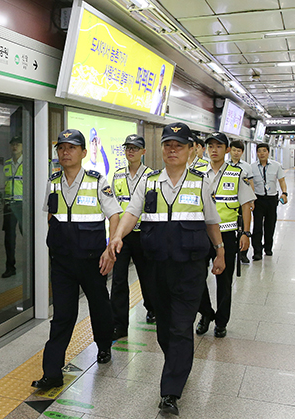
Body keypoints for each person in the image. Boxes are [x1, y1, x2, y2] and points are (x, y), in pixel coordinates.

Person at [106, 122, 225, 416]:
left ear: (189, 150)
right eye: (168, 145)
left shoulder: (200, 183)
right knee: (164, 330)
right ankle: (178, 363)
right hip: (156, 267)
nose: (172, 150)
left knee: (181, 327)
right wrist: (119, 235)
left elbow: (211, 221)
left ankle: (170, 392)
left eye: (179, 145)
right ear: (161, 150)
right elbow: (131, 212)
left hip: (190, 268)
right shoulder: (150, 182)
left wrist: (220, 251)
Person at [31, 129, 122, 391]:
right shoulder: (54, 181)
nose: (65, 152)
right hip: (62, 262)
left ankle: (104, 346)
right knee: (62, 316)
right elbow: (50, 216)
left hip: (93, 260)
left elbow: (114, 215)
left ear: (83, 153)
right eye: (61, 148)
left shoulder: (97, 181)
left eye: (71, 148)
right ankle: (52, 373)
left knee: (99, 307)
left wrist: (110, 250)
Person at [195, 132, 255, 338]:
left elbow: (246, 205)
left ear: (227, 150)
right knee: (196, 277)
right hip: (201, 234)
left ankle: (221, 321)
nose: (213, 149)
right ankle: (205, 314)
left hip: (227, 234)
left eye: (219, 146)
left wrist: (246, 233)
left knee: (224, 279)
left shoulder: (236, 173)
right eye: (210, 146)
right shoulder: (196, 171)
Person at [110, 134, 157, 341]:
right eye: (128, 148)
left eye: (135, 148)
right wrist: (113, 236)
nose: (131, 151)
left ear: (143, 152)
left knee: (147, 277)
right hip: (122, 236)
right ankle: (119, 324)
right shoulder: (118, 175)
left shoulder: (152, 176)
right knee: (118, 280)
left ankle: (153, 307)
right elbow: (112, 205)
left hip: (143, 234)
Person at [250, 143, 288, 260]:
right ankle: (257, 251)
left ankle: (268, 247)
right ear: (256, 153)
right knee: (257, 226)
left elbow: (281, 181)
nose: (261, 153)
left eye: (264, 151)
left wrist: (284, 193)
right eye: (259, 151)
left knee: (270, 225)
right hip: (258, 199)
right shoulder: (252, 167)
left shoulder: (276, 166)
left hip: (272, 199)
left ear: (268, 152)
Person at [228, 140, 254, 263]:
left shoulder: (247, 167)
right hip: (229, 202)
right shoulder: (224, 165)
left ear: (242, 152)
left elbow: (250, 184)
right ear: (229, 150)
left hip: (243, 201)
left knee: (244, 225)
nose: (236, 153)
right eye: (234, 150)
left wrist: (251, 201)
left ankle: (243, 253)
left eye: (239, 151)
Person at [2, 135, 23, 278]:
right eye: (12, 144)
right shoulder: (7, 164)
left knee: (29, 235)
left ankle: (37, 262)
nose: (14, 147)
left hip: (24, 205)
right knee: (9, 238)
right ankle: (10, 266)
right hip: (9, 205)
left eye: (17, 144)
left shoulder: (28, 163)